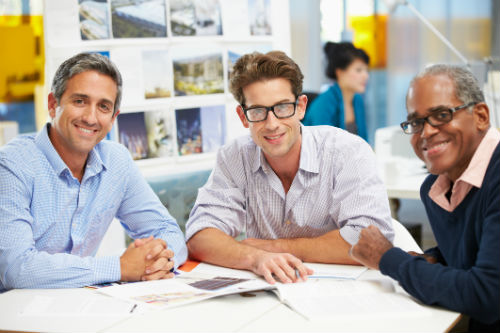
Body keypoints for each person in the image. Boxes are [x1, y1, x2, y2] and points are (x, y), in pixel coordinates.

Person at [186, 51, 393, 284]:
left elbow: (374, 241)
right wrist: (255, 258)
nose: (272, 124)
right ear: (243, 117)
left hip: (346, 293)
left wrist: (275, 247)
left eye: (282, 107)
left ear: (301, 107)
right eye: (257, 111)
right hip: (272, 292)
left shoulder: (348, 151)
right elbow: (199, 235)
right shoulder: (234, 156)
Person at [0, 53, 187, 292]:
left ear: (113, 118)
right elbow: (16, 270)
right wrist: (120, 267)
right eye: (80, 101)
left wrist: (154, 262)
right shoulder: (12, 165)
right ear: (52, 104)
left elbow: (169, 232)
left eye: (103, 106)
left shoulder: (116, 161)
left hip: (81, 308)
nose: (90, 117)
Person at [350, 64, 499, 332]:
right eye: (416, 122)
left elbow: (487, 295)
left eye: (442, 114)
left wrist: (389, 258)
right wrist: (435, 258)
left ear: (480, 116)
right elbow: (476, 249)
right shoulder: (436, 189)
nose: (427, 132)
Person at [302, 42, 370, 141]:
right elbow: (323, 148)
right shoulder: (323, 104)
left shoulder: (357, 100)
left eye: (366, 70)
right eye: (359, 70)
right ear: (340, 72)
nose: (366, 76)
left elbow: (363, 142)